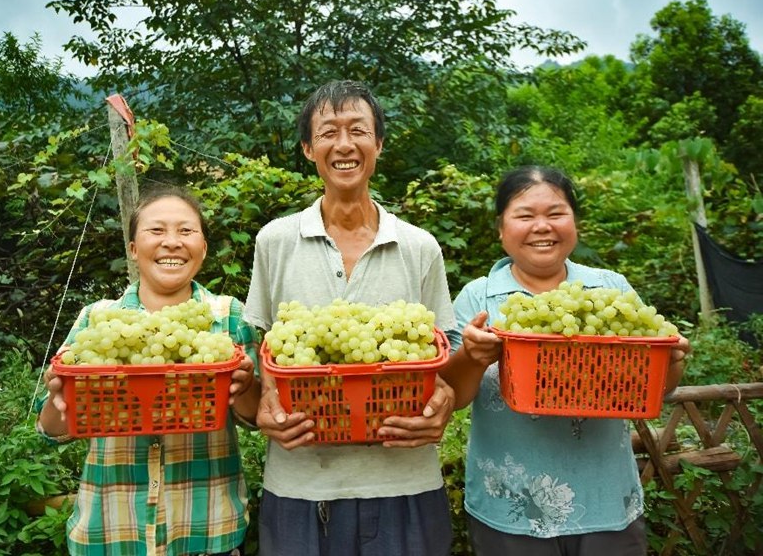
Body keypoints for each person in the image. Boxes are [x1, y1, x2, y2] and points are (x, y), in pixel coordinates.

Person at [242, 79, 457, 556]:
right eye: (328, 132)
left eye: (358, 130)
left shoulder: (419, 246)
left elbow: (442, 354)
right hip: (300, 483)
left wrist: (442, 397)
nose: (344, 144)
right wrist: (264, 406)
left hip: (406, 481)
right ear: (307, 148)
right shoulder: (274, 241)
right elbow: (266, 350)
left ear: (378, 144)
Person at [440, 165, 691, 556]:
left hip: (606, 502)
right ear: (501, 228)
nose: (542, 226)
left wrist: (673, 360)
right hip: (509, 506)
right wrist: (472, 358)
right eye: (525, 216)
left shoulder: (610, 290)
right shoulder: (479, 298)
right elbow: (452, 395)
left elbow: (658, 387)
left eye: (556, 213)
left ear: (574, 222)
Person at [35, 185, 261, 556]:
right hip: (110, 532)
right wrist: (59, 399)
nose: (172, 242)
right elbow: (52, 430)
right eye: (156, 231)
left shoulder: (229, 316)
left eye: (186, 231)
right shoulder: (98, 320)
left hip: (206, 531)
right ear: (133, 249)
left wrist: (246, 385)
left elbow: (253, 417)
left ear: (203, 248)